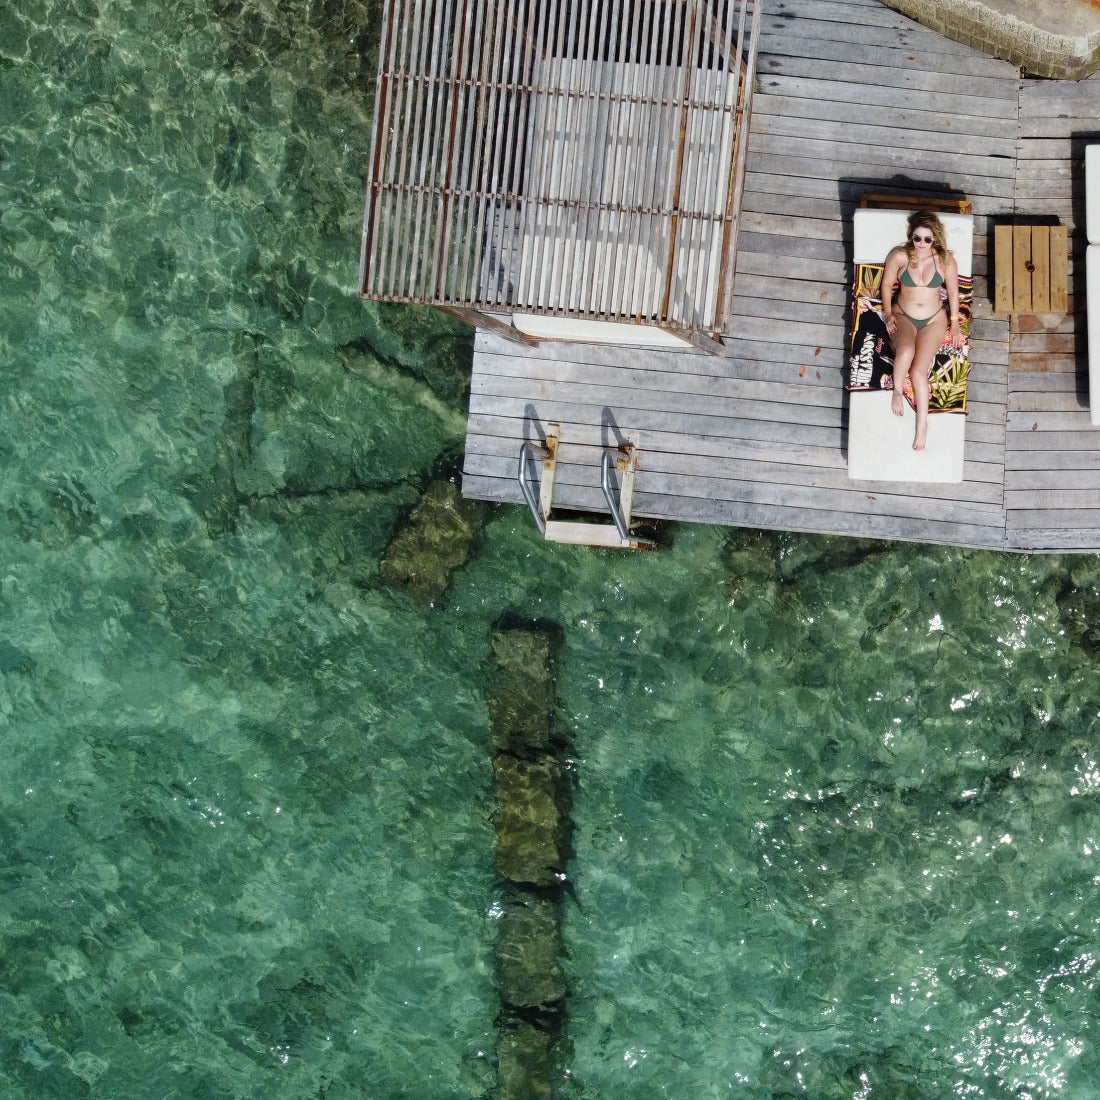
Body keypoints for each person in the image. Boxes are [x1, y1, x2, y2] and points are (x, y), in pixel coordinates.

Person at [880, 212, 964, 450]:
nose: (922, 243)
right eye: (917, 238)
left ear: (935, 238)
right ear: (911, 236)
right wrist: (888, 314)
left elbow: (953, 292)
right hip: (903, 315)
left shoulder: (945, 260)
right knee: (905, 351)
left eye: (927, 239)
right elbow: (887, 285)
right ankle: (897, 392)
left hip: (933, 320)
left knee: (918, 371)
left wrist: (955, 324)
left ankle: (922, 426)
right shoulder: (900, 256)